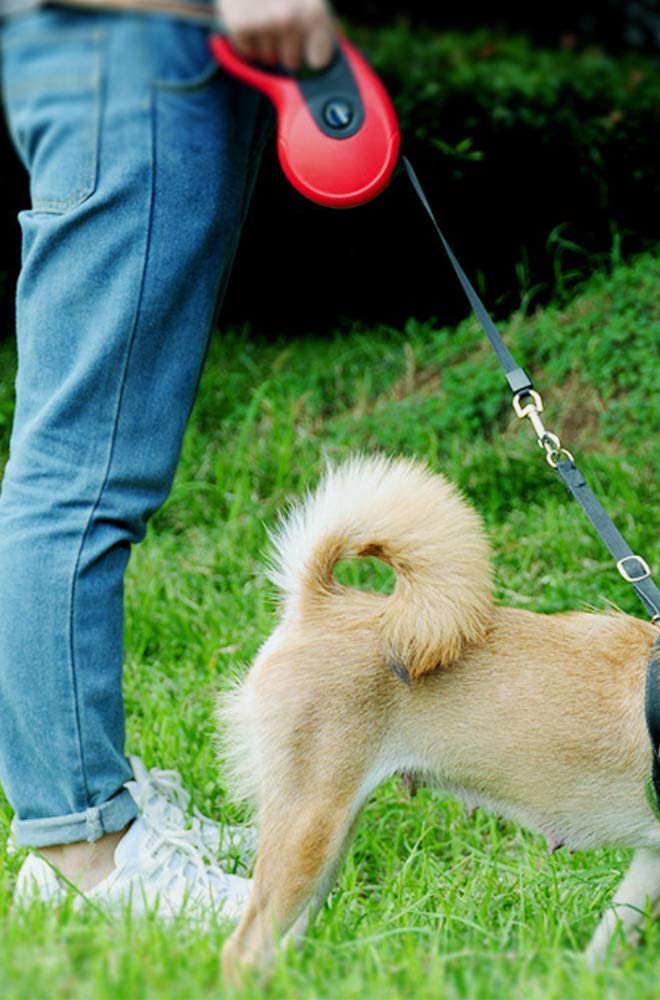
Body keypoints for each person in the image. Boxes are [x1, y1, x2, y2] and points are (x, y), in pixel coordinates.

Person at [0, 0, 337, 918]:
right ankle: (86, 849)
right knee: (82, 470)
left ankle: (85, 812)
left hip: (148, 50)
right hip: (126, 47)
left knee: (100, 460)